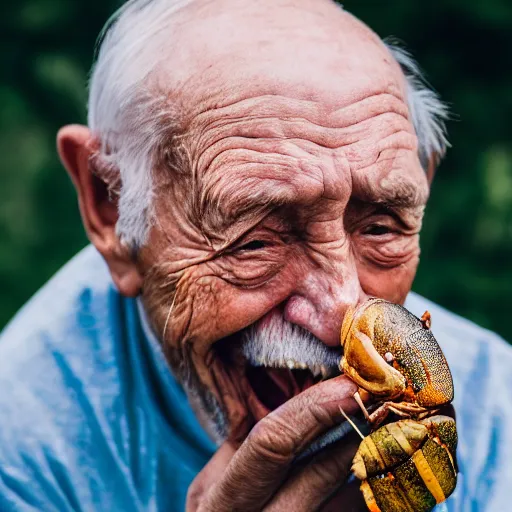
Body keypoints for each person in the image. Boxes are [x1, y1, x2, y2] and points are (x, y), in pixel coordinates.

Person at [1, 0, 511, 510]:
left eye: (379, 227)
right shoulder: (21, 454)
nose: (342, 311)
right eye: (257, 241)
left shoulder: (496, 416)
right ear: (109, 204)